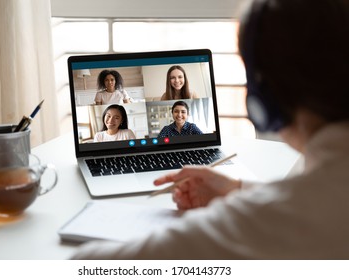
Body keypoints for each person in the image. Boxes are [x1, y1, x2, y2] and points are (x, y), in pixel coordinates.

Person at [72, 0, 349, 259]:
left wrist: (247, 205)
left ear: (266, 98)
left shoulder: (265, 222)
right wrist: (238, 189)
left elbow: (85, 265)